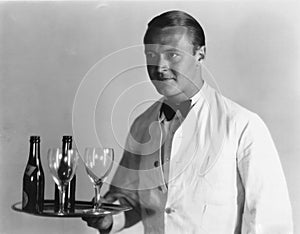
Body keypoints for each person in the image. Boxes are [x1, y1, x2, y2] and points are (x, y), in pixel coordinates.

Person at [82, 10, 293, 234]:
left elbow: (269, 222)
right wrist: (109, 220)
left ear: (200, 55)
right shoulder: (141, 125)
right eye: (152, 55)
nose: (160, 67)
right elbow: (132, 200)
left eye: (172, 55)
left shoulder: (243, 125)